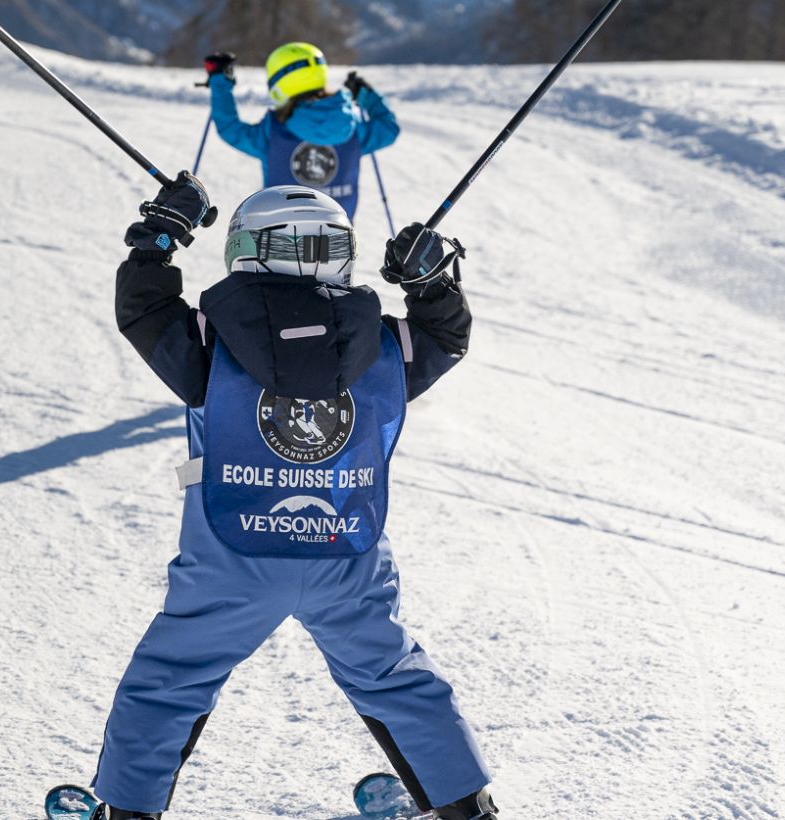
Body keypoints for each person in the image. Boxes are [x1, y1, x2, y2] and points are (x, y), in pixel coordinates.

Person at [89, 172, 497, 820]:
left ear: (247, 248)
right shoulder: (383, 343)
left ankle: (128, 811)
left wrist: (160, 237)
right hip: (344, 555)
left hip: (231, 557)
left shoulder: (208, 339)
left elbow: (142, 309)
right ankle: (465, 809)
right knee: (394, 677)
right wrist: (430, 284)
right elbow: (446, 337)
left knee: (169, 681)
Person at [202, 43, 399, 220]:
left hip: (280, 238)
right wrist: (366, 95)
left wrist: (220, 80)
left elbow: (231, 128)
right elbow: (389, 129)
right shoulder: (351, 127)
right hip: (339, 241)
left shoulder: (274, 130)